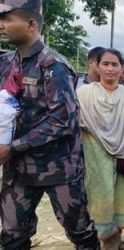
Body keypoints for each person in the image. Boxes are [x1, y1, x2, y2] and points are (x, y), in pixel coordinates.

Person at [0, 1, 100, 249]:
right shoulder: (6, 63)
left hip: (58, 169)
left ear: (31, 24)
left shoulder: (54, 65)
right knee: (12, 235)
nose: (0, 24)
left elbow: (62, 120)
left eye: (6, 18)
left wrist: (13, 146)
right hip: (18, 170)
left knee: (80, 233)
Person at [77, 48, 124, 249]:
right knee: (97, 208)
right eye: (105, 64)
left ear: (121, 68)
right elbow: (75, 127)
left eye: (114, 64)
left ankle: (113, 246)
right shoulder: (84, 94)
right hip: (94, 159)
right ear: (97, 66)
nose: (110, 69)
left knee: (120, 205)